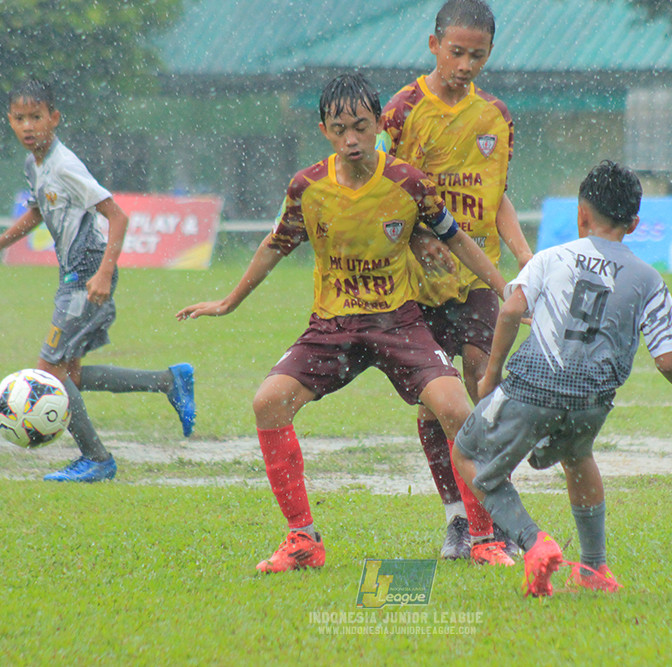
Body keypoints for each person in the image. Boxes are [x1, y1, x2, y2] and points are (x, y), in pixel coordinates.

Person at [176, 72, 516, 573]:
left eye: (360, 126)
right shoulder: (307, 187)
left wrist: (506, 290)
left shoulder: (409, 183)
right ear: (324, 131)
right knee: (268, 402)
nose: (351, 139)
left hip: (398, 323)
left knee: (455, 408)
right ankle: (303, 539)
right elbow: (275, 244)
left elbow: (457, 239)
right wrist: (229, 301)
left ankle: (484, 539)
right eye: (339, 129)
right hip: (332, 327)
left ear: (378, 124)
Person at [450, 160, 672, 596]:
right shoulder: (647, 279)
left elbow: (511, 311)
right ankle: (593, 567)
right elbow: (667, 359)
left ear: (581, 214)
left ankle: (534, 542)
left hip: (533, 388)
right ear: (634, 223)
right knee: (578, 456)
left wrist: (490, 377)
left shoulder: (552, 258)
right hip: (591, 401)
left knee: (467, 454)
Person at [0, 79, 195, 482]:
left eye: (36, 117)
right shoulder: (34, 164)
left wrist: (103, 273)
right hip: (71, 273)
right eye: (19, 118)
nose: (28, 126)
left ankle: (97, 459)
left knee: (48, 372)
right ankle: (167, 381)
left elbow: (117, 216)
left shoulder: (65, 165)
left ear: (54, 118)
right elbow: (37, 212)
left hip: (86, 272)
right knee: (68, 376)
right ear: (10, 121)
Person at [377, 0, 533, 560]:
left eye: (478, 55)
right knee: (435, 405)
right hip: (416, 282)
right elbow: (381, 193)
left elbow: (497, 198)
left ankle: (492, 513)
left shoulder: (496, 116)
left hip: (476, 273)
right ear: (434, 45)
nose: (466, 65)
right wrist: (417, 241)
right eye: (457, 52)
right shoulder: (400, 113)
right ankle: (458, 520)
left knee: (482, 381)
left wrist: (525, 258)